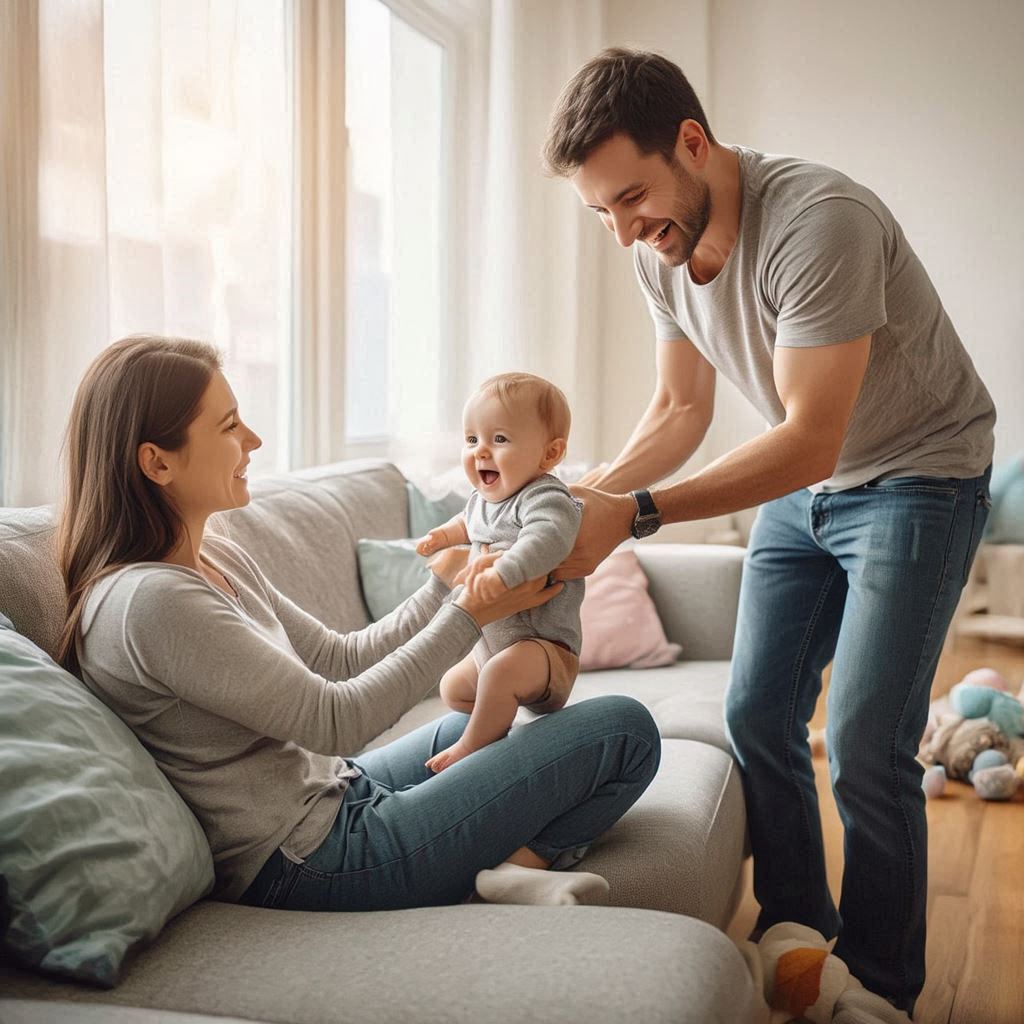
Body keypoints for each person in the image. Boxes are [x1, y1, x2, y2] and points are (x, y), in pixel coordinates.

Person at [543, 48, 995, 1013]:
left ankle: (880, 987)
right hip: (811, 483)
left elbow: (808, 439)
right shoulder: (656, 249)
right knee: (757, 713)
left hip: (918, 473)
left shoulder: (819, 222)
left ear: (693, 145)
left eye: (632, 198)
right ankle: (799, 931)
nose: (624, 229)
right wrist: (585, 499)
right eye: (603, 212)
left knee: (870, 740)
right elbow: (677, 410)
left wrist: (641, 517)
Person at [57, 335, 660, 912]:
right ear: (157, 463)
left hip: (335, 791)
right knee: (625, 730)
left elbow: (340, 658)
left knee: (472, 723)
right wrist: (470, 613)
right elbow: (333, 719)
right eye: (229, 426)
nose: (256, 439)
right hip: (310, 858)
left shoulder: (216, 557)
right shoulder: (150, 603)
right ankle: (513, 867)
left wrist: (445, 584)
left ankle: (508, 869)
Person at [416, 372, 584, 773]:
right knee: (452, 688)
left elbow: (547, 540)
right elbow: (468, 522)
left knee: (501, 674)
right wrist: (442, 535)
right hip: (490, 647)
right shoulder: (482, 500)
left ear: (549, 454)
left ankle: (472, 747)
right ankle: (499, 727)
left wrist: (502, 573)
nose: (480, 452)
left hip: (542, 651)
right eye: (472, 439)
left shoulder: (547, 497)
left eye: (499, 440)